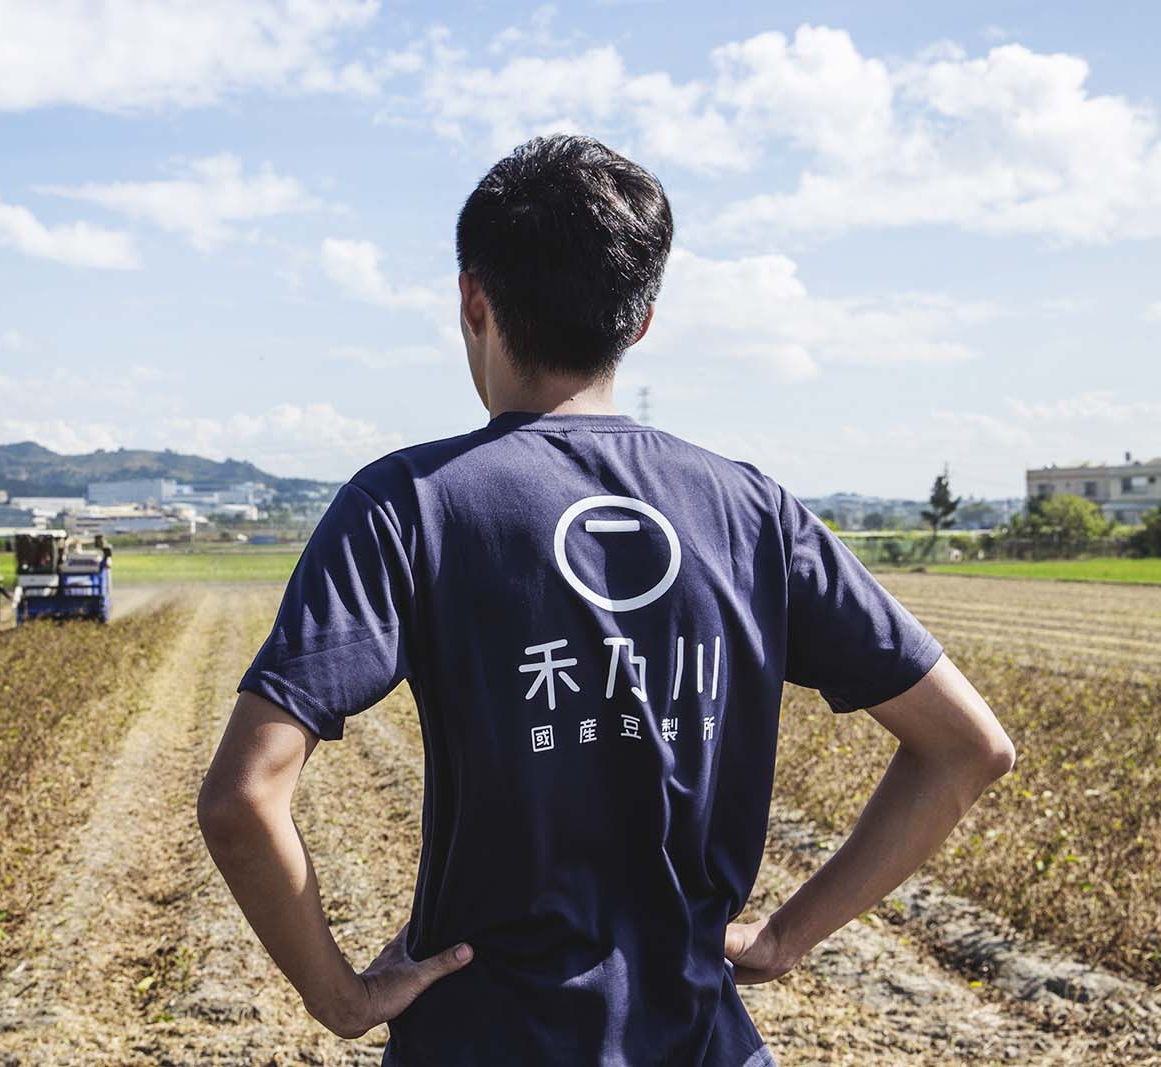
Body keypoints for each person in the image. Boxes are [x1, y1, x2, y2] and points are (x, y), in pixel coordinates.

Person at [195, 134, 1015, 1067]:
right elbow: (968, 746)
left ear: (474, 301)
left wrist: (341, 996)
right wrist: (786, 935)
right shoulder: (751, 510)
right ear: (641, 321)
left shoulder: (409, 505)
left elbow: (242, 797)